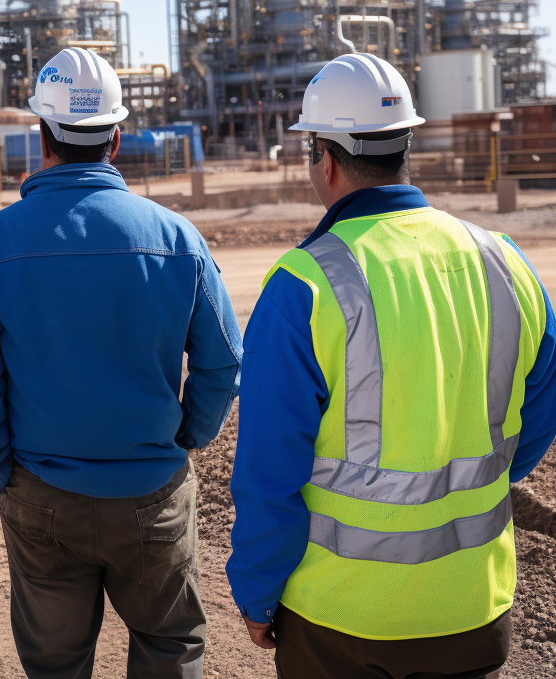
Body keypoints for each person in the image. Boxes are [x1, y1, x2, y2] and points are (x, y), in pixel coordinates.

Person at [227, 53, 556, 679]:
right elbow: (541, 404)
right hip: (472, 607)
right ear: (406, 145)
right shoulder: (504, 261)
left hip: (341, 623)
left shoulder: (304, 285)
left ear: (324, 158)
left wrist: (257, 591)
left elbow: (270, 470)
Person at [0, 47, 243, 679]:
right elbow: (223, 364)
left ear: (42, 137)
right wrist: (188, 436)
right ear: (115, 139)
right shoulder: (176, 238)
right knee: (168, 645)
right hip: (151, 490)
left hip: (40, 493)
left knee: (55, 663)